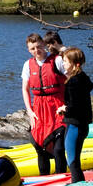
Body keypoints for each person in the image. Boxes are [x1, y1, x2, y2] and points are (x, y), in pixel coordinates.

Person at [22, 32, 67, 176]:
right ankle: (44, 179)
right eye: (32, 49)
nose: (36, 51)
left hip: (57, 106)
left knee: (59, 148)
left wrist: (68, 104)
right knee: (39, 146)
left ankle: (61, 176)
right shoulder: (28, 65)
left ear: (44, 45)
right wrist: (29, 110)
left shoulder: (57, 61)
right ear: (29, 50)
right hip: (39, 109)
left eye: (38, 47)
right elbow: (25, 88)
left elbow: (72, 79)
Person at [57, 47, 93, 184]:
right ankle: (79, 185)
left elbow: (74, 106)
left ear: (75, 64)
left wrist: (63, 108)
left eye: (66, 61)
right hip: (82, 125)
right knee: (74, 160)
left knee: (72, 161)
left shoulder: (73, 82)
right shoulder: (83, 78)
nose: (64, 64)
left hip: (75, 125)